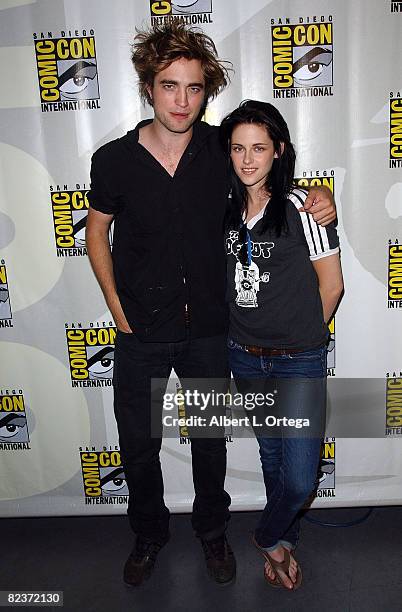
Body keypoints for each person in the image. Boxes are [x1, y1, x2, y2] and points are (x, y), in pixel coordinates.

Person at [85, 22, 336, 588]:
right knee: (139, 443)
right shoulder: (114, 160)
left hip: (208, 333)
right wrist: (112, 301)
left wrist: (325, 196)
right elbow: (96, 232)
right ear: (148, 87)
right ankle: (148, 533)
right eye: (169, 85)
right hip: (139, 330)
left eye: (193, 88)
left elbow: (274, 171)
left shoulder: (224, 149)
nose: (181, 99)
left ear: (207, 91)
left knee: (208, 441)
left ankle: (212, 532)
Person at [220, 100, 343, 590]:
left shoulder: (301, 208)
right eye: (238, 148)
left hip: (298, 361)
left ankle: (265, 534)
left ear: (279, 151)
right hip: (243, 356)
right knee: (271, 457)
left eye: (259, 148)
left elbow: (331, 287)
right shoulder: (224, 209)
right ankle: (282, 544)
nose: (248, 159)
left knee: (299, 478)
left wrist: (303, 339)